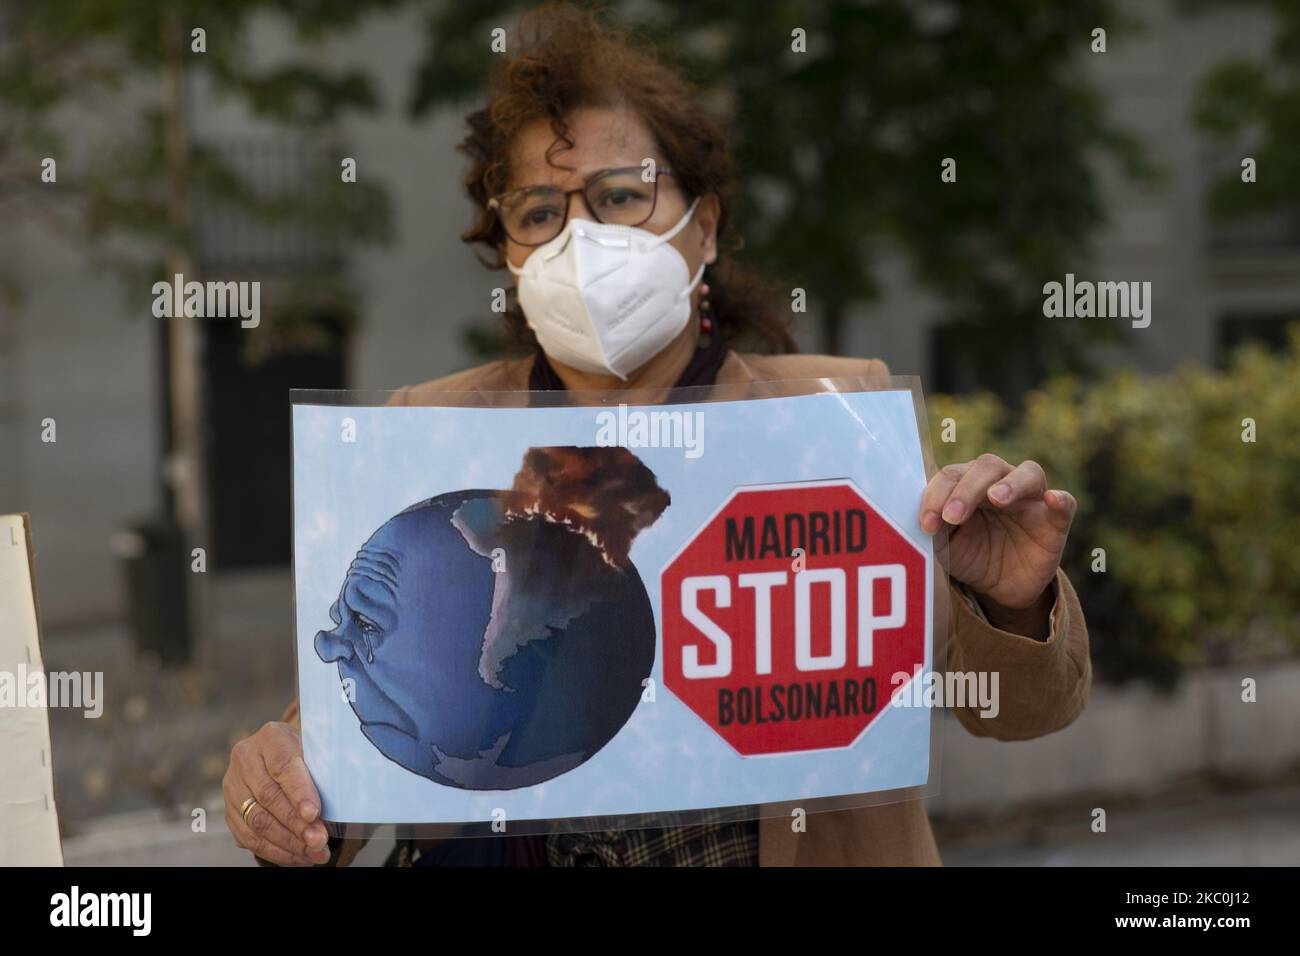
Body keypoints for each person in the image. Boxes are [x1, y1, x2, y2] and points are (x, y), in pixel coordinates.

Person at [223, 2, 1090, 867]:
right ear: (509, 254)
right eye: (537, 213)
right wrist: (284, 794)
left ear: (703, 226)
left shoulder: (839, 420)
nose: (582, 238)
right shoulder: (424, 434)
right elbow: (340, 770)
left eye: (622, 197)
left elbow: (1017, 711)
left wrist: (1011, 599)